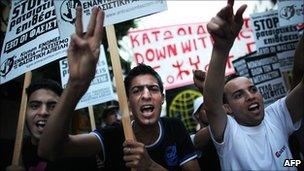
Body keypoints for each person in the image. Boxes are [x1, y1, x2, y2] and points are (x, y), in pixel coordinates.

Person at [38, 6, 200, 171]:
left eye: (153, 88)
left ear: (163, 98)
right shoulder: (112, 136)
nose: (146, 95)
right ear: (128, 102)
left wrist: (150, 166)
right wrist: (76, 83)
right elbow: (49, 150)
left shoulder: (175, 128)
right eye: (136, 90)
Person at [193, 0, 304, 170]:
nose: (250, 96)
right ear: (227, 109)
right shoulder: (229, 133)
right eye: (238, 95)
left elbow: (299, 73)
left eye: (253, 89)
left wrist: (296, 163)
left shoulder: (277, 116)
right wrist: (222, 47)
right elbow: (212, 103)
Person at [5, 79, 98, 171]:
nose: (43, 112)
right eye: (34, 106)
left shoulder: (82, 154)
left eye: (53, 106)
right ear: (24, 111)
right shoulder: (10, 152)